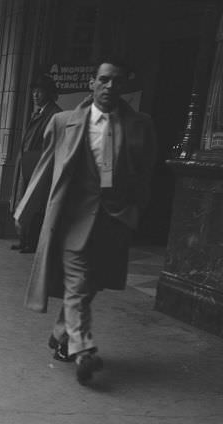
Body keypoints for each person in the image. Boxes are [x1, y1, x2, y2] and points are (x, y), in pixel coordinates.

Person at [14, 58, 156, 386]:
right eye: (103, 80)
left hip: (114, 221)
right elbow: (44, 169)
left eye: (116, 82)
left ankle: (62, 331)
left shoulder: (141, 125)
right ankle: (83, 349)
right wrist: (26, 211)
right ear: (92, 83)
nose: (109, 87)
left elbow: (146, 175)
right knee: (77, 284)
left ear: (123, 86)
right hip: (73, 220)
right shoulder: (64, 122)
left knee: (93, 284)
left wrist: (134, 213)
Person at [11, 75, 62, 252]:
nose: (35, 95)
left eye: (39, 92)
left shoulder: (54, 114)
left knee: (35, 203)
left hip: (38, 165)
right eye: (34, 92)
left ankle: (31, 241)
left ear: (49, 93)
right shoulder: (39, 112)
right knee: (24, 199)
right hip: (29, 164)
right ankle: (24, 238)